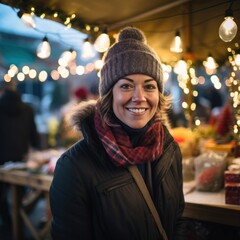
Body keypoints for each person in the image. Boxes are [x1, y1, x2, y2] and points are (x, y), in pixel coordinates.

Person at [50, 26, 186, 240]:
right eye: (126, 86)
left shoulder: (169, 149)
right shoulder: (74, 167)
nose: (139, 97)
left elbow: (177, 220)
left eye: (149, 86)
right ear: (108, 95)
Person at [0, 80, 40, 238]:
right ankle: (20, 223)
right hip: (21, 159)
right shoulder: (28, 109)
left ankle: (10, 225)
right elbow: (34, 137)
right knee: (21, 196)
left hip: (1, 161)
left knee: (2, 198)